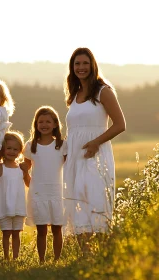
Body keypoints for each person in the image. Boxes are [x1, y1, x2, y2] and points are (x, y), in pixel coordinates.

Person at [63, 47, 126, 254]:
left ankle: (104, 256)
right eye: (77, 64)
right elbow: (73, 131)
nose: (81, 68)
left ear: (93, 65)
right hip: (75, 157)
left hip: (96, 156)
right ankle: (85, 257)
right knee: (77, 202)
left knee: (95, 202)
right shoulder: (74, 95)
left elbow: (119, 124)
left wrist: (95, 143)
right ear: (72, 68)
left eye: (85, 63)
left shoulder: (103, 91)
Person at [22, 106, 67, 263]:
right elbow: (25, 170)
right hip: (38, 193)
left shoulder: (62, 145)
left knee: (57, 228)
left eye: (48, 121)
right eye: (40, 121)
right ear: (36, 124)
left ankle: (56, 260)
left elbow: (69, 168)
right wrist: (27, 180)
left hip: (57, 192)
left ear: (55, 124)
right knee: (41, 229)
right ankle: (41, 261)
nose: (44, 124)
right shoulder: (30, 146)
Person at [0, 131, 28, 260]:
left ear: (20, 151)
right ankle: (6, 257)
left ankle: (15, 258)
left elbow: (28, 183)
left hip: (18, 205)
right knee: (6, 233)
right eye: (9, 148)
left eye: (15, 149)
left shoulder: (21, 168)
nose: (12, 151)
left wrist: (26, 171)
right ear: (3, 149)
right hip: (4, 205)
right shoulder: (0, 167)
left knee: (16, 233)